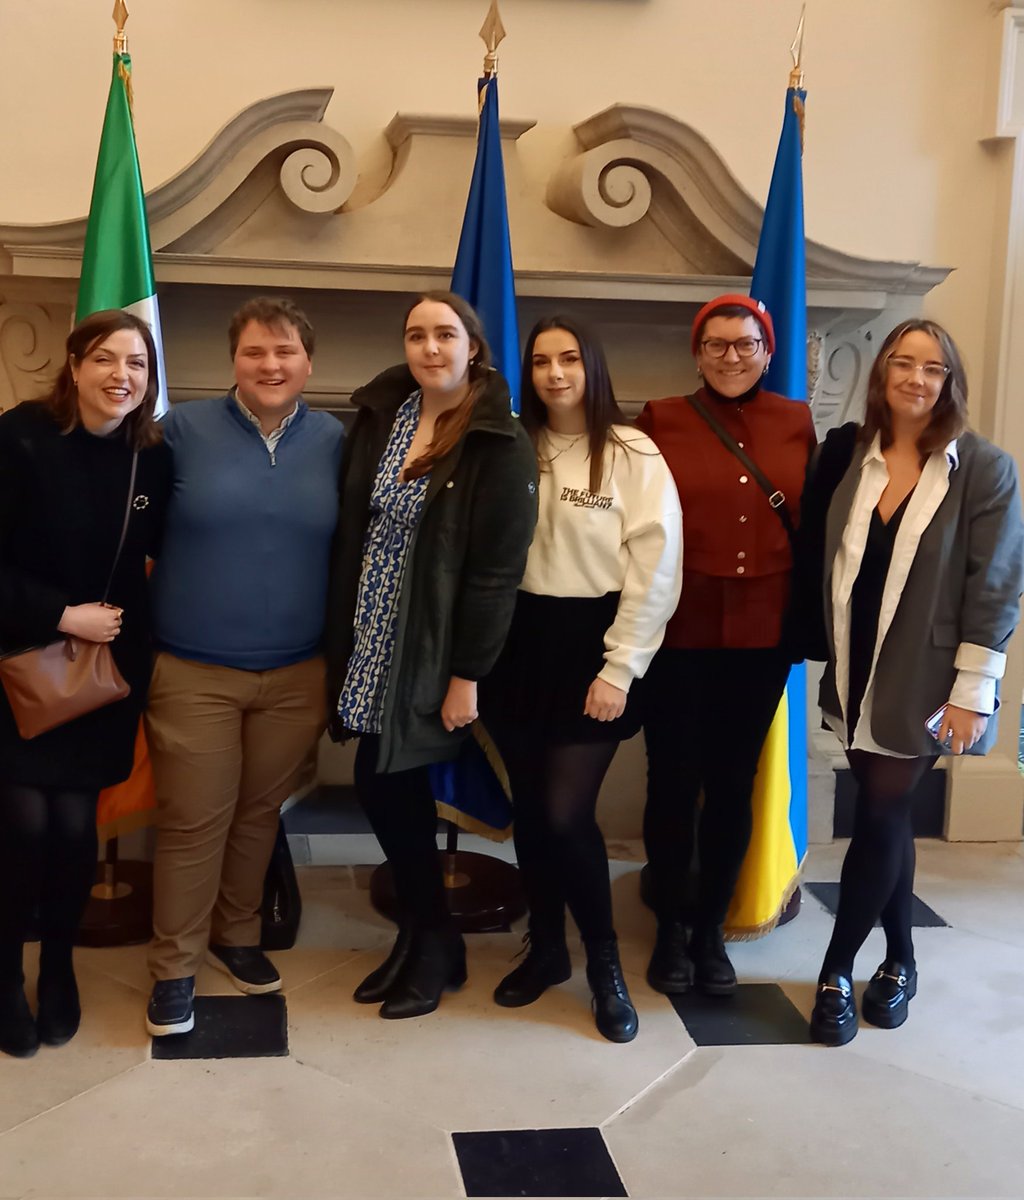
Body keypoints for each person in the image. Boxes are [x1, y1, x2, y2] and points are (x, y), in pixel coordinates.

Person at [791, 319, 1024, 1046]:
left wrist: (972, 691)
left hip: (926, 677)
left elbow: (997, 585)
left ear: (949, 381)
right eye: (903, 363)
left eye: (933, 368)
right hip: (853, 667)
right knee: (888, 817)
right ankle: (902, 958)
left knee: (880, 814)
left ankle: (834, 971)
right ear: (882, 373)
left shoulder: (983, 467)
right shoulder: (848, 453)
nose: (917, 379)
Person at [325, 290, 537, 1020]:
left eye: (445, 334)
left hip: (433, 643)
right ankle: (422, 934)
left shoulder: (499, 441)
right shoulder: (386, 415)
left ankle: (435, 940)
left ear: (472, 346)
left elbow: (495, 574)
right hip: (372, 628)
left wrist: (467, 675)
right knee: (384, 786)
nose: (429, 348)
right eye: (416, 335)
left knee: (388, 780)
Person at [144, 297, 344, 1037]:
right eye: (256, 352)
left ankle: (237, 936)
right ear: (234, 359)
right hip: (194, 670)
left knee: (260, 814)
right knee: (195, 822)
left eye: (285, 352)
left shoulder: (333, 439)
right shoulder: (180, 431)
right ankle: (173, 969)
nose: (270, 365)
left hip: (296, 674)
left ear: (308, 364)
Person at [480, 317, 682, 1043]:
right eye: (540, 361)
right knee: (531, 814)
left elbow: (657, 570)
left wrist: (620, 667)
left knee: (567, 815)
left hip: (592, 647)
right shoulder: (510, 443)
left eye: (568, 359)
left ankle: (604, 964)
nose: (555, 373)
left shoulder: (632, 451)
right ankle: (546, 952)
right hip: (514, 645)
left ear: (591, 366)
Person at [0, 309, 170, 1058]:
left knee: (73, 832)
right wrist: (61, 614)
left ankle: (60, 971)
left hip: (100, 678)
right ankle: (6, 977)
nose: (120, 376)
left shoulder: (152, 458)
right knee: (21, 830)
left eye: (135, 363)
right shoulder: (20, 435)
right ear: (74, 365)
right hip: (16, 666)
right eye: (104, 359)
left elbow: (153, 568)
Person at [636, 294, 816, 997]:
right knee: (673, 784)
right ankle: (671, 929)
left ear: (768, 351)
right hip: (677, 631)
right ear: (697, 352)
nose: (731, 357)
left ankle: (712, 928)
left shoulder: (797, 423)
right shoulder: (660, 420)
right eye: (716, 345)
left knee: (733, 786)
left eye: (745, 345)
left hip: (762, 636)